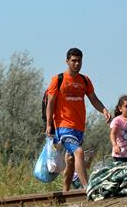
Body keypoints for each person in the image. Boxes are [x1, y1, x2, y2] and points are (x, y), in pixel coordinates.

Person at [45, 47, 111, 192]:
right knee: (79, 152)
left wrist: (104, 110)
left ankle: (66, 191)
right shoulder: (58, 79)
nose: (76, 64)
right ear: (67, 61)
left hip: (79, 127)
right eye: (73, 61)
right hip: (63, 126)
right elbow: (50, 103)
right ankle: (88, 188)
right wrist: (49, 124)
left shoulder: (84, 80)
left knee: (71, 160)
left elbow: (93, 98)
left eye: (79, 61)